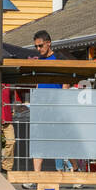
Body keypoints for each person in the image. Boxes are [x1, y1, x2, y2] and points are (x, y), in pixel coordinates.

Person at [31, 31, 61, 175]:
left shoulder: (58, 60)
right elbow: (38, 84)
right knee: (38, 141)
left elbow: (66, 84)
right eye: (36, 46)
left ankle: (75, 170)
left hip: (56, 107)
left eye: (40, 46)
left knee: (63, 141)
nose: (38, 49)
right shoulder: (39, 62)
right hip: (41, 107)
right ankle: (36, 175)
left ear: (48, 43)